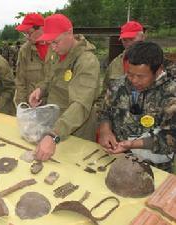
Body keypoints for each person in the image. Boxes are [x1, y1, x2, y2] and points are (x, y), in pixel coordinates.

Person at [28, 14, 100, 161]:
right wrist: (41, 90)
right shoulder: (55, 52)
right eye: (49, 43)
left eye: (55, 42)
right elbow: (50, 78)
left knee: (74, 169)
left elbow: (80, 105)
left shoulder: (87, 62)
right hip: (55, 122)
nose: (52, 48)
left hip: (76, 129)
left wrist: (53, 135)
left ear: (70, 33)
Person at [99, 42, 176, 172]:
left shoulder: (171, 94)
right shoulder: (118, 86)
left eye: (140, 76)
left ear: (158, 70)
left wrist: (133, 144)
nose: (134, 80)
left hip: (155, 168)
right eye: (130, 73)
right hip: (117, 160)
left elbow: (172, 138)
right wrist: (105, 131)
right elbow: (104, 112)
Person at [15, 13, 50, 105]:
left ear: (42, 28)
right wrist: (23, 106)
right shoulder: (25, 51)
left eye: (29, 32)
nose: (27, 37)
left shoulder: (57, 47)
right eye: (25, 33)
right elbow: (20, 82)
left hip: (57, 106)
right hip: (33, 107)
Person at [103, 21, 145, 90]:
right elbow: (105, 92)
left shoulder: (155, 61)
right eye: (124, 40)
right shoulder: (115, 64)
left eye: (132, 39)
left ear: (143, 37)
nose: (128, 43)